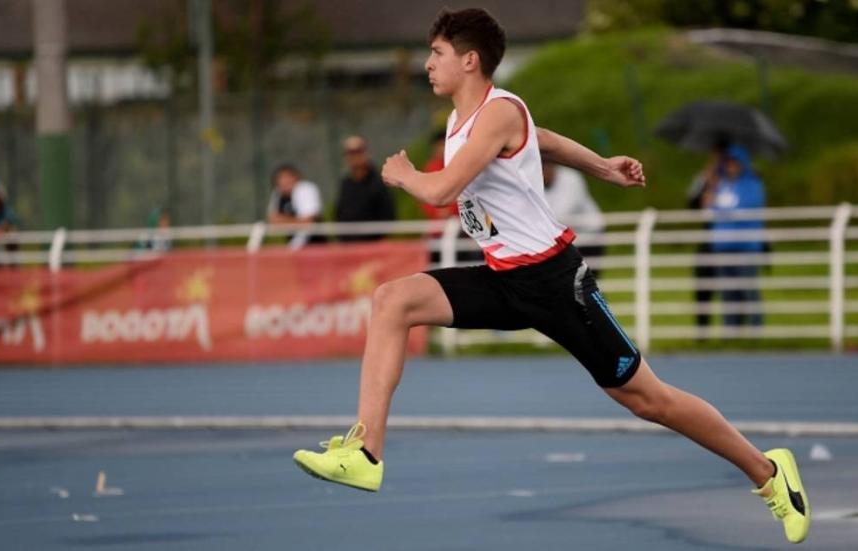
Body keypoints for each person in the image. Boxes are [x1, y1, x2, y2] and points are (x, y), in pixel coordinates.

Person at [292, 8, 808, 545]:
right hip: (504, 280)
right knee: (393, 301)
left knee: (647, 399)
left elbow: (442, 192)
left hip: (556, 285)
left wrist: (406, 175)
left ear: (470, 61)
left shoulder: (497, 112)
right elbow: (544, 140)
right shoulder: (466, 120)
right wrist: (603, 165)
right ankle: (366, 451)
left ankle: (770, 474)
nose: (427, 65)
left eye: (437, 54)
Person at [702, 145, 766, 328]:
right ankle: (731, 332)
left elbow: (748, 207)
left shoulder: (753, 183)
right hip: (722, 246)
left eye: (734, 162)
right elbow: (707, 207)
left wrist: (723, 212)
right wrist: (710, 181)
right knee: (727, 292)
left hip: (745, 245)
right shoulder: (720, 184)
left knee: (748, 290)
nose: (731, 165)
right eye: (727, 162)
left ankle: (756, 331)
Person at [686, 141, 727, 333]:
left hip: (730, 237)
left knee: (736, 287)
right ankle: (702, 331)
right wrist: (705, 182)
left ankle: (738, 332)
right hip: (710, 235)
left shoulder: (738, 178)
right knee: (702, 282)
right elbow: (691, 201)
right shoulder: (706, 176)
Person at [542, 155, 606, 276]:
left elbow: (564, 211)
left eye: (544, 168)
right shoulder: (534, 182)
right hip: (563, 242)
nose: (542, 174)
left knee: (588, 281)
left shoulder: (570, 178)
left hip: (589, 237)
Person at [334, 135, 396, 242]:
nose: (353, 156)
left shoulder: (380, 182)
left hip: (373, 247)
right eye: (349, 152)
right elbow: (339, 215)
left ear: (366, 153)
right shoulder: (345, 183)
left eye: (357, 151)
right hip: (348, 247)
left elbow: (388, 216)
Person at [266, 164, 324, 249]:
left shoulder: (305, 189)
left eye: (287, 178)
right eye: (280, 179)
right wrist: (297, 221)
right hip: (294, 248)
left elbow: (308, 222)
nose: (283, 182)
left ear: (296, 178)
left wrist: (283, 221)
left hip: (315, 247)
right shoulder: (277, 195)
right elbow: (273, 221)